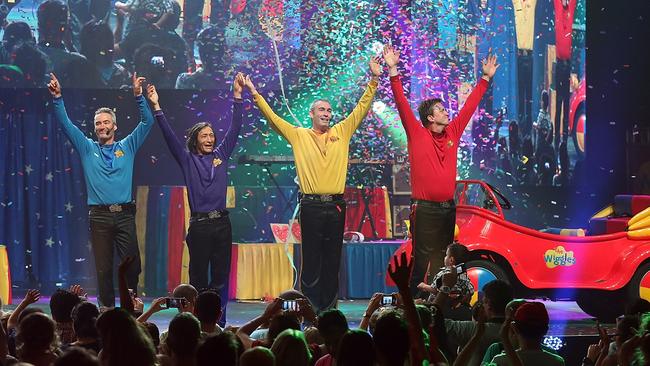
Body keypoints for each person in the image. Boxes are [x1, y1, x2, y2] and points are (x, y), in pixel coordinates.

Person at [245, 57, 381, 312]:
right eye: (322, 110)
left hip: (336, 205)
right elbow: (273, 119)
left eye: (329, 111)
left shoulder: (342, 131)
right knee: (312, 262)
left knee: (332, 260)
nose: (327, 114)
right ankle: (309, 310)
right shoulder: (299, 135)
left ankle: (329, 310)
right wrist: (255, 94)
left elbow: (361, 108)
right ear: (312, 114)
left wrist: (373, 80)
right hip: (311, 206)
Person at [383, 45, 498, 295]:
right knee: (421, 258)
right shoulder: (417, 133)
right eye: (441, 110)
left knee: (443, 260)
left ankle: (436, 305)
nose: (447, 112)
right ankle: (412, 302)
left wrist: (485, 78)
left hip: (447, 207)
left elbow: (469, 107)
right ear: (430, 118)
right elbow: (401, 103)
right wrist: (393, 69)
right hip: (424, 209)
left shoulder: (453, 133)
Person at [48, 72, 154, 307]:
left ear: (114, 126)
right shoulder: (87, 148)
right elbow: (66, 124)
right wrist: (57, 98)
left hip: (125, 214)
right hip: (99, 216)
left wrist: (138, 96)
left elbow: (148, 122)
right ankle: (106, 309)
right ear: (94, 128)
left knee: (131, 264)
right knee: (104, 268)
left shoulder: (127, 145)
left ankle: (130, 305)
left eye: (106, 122)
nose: (102, 126)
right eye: (98, 123)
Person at [147, 73, 245, 324]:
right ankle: (199, 320)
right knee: (199, 278)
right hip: (200, 226)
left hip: (222, 224)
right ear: (195, 140)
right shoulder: (188, 159)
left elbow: (235, 128)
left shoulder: (222, 153)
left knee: (221, 277)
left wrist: (237, 96)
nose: (211, 139)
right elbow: (169, 137)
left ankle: (219, 321)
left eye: (212, 135)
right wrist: (157, 107)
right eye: (205, 136)